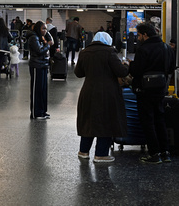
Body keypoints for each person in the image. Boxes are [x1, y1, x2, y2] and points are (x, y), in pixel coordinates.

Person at [74, 32, 129, 163]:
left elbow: (78, 73)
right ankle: (101, 154)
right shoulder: (109, 52)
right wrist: (126, 64)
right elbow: (121, 71)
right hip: (106, 92)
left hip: (87, 91)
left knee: (88, 121)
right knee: (106, 121)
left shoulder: (84, 52)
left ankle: (83, 151)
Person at [128, 22, 175, 164]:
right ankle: (165, 153)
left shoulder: (143, 49)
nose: (138, 37)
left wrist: (130, 66)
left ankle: (154, 153)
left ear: (145, 35)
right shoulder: (167, 48)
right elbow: (171, 68)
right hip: (161, 89)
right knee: (160, 119)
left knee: (148, 121)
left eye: (139, 35)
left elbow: (136, 71)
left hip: (145, 90)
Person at [27, 21, 51, 120]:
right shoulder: (34, 38)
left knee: (42, 90)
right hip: (37, 65)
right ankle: (35, 112)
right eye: (43, 29)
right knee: (36, 90)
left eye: (46, 29)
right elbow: (39, 51)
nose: (45, 31)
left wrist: (47, 35)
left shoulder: (41, 37)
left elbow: (51, 40)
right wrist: (48, 45)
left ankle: (42, 111)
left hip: (43, 65)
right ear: (37, 29)